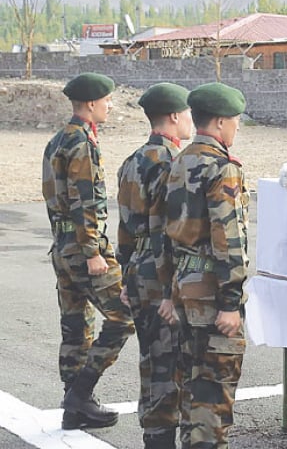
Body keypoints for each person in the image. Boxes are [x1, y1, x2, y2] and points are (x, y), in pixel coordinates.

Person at [42, 72, 135, 430]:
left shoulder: (57, 140)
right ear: (92, 103)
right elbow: (84, 200)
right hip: (83, 248)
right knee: (123, 316)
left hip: (63, 246)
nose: (110, 105)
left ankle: (75, 407)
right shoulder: (81, 142)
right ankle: (80, 394)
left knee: (76, 325)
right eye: (108, 100)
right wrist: (94, 251)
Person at [165, 82, 249, 449]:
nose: (236, 128)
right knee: (213, 397)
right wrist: (231, 303)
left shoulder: (180, 160)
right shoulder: (222, 169)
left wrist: (171, 292)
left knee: (191, 390)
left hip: (184, 287)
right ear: (218, 123)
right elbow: (228, 240)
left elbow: (165, 233)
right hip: (212, 294)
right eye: (234, 121)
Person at [117, 83, 194, 449]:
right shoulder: (171, 163)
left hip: (137, 271)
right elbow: (170, 231)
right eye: (188, 113)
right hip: (161, 274)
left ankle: (153, 435)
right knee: (168, 365)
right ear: (176, 116)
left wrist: (124, 275)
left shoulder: (131, 161)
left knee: (151, 360)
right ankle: (160, 440)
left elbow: (124, 227)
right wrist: (172, 289)